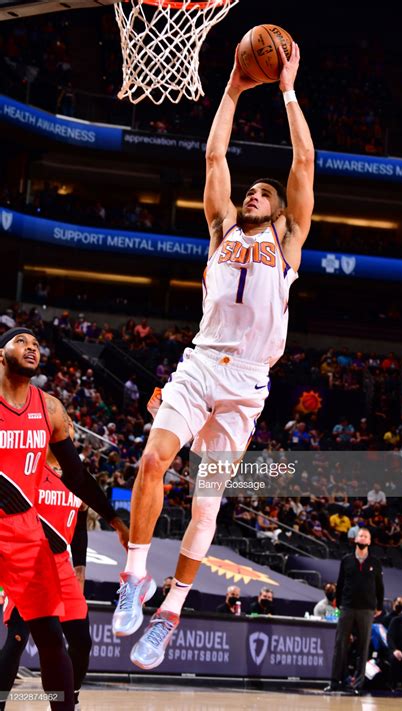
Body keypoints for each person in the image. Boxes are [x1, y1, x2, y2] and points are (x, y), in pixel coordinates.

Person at [112, 38, 314, 671]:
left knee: (205, 501)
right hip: (202, 362)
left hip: (249, 381)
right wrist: (231, 84)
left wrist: (285, 90)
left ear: (282, 211)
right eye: (248, 191)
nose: (252, 193)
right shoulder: (222, 229)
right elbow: (214, 153)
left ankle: (170, 613)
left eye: (263, 192)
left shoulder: (289, 241)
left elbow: (304, 158)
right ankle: (135, 579)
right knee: (152, 462)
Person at [0, 327, 129, 710]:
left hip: (23, 534)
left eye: (36, 345)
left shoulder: (50, 408)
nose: (31, 348)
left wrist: (113, 516)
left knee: (53, 640)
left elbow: (75, 475)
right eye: (20, 342)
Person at [0, 419, 117, 711]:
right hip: (30, 562)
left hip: (63, 566)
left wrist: (81, 568)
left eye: (69, 424)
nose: (66, 426)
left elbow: (78, 527)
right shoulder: (33, 469)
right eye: (62, 423)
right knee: (16, 642)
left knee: (82, 641)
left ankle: (69, 700)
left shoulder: (76, 479)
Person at [324, 528, 384, 695]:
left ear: (369, 542)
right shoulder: (347, 560)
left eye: (366, 536)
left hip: (367, 609)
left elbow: (379, 587)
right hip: (347, 607)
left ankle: (358, 685)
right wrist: (339, 604)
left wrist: (379, 606)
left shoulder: (375, 563)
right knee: (340, 645)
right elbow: (340, 582)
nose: (363, 538)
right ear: (355, 539)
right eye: (360, 535)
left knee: (363, 646)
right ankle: (335, 682)